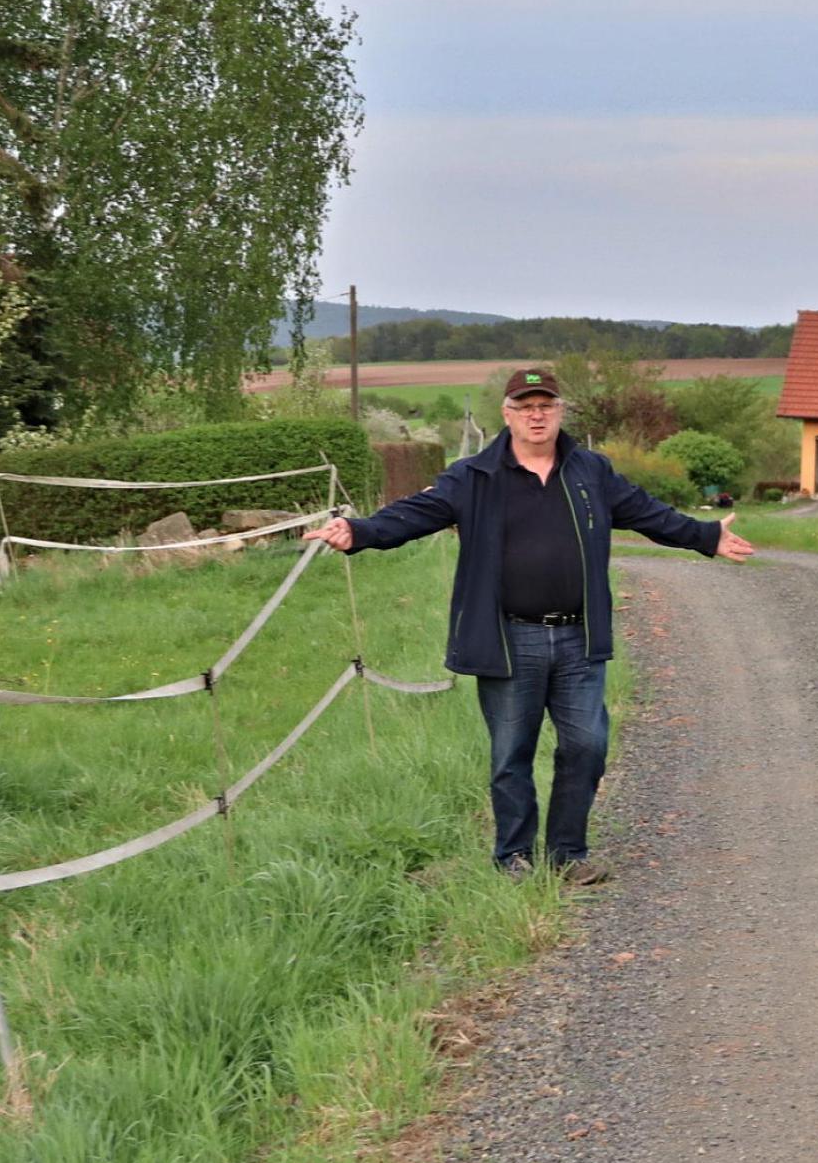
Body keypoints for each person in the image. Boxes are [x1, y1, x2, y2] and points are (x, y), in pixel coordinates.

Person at [305, 368, 755, 881]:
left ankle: (567, 855)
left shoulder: (591, 472)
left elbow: (647, 513)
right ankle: (513, 858)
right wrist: (358, 531)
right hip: (508, 639)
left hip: (579, 637)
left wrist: (703, 535)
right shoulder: (473, 476)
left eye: (545, 405)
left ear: (561, 411)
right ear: (508, 414)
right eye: (525, 406)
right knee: (511, 755)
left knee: (586, 745)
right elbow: (415, 514)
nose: (536, 415)